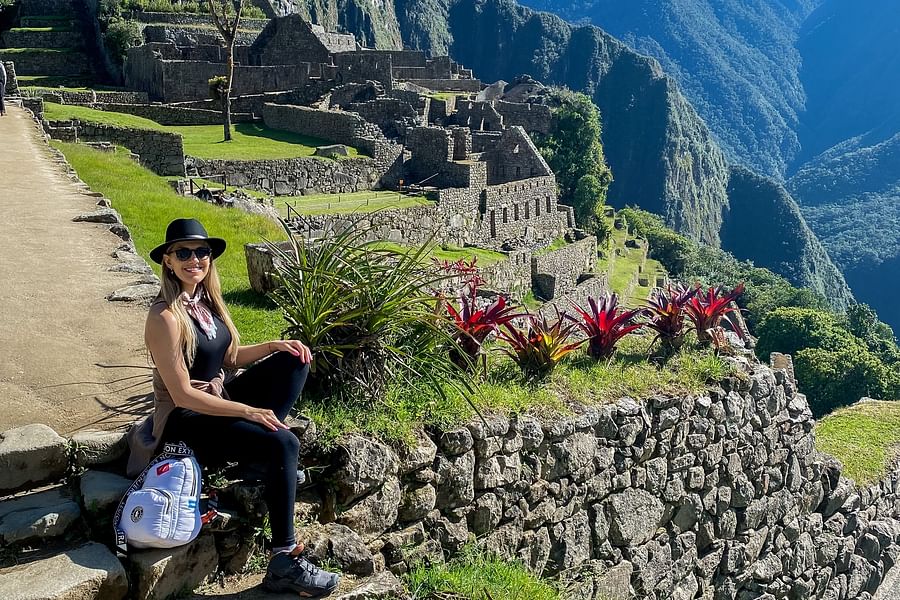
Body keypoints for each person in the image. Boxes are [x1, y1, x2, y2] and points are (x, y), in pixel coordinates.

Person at [127, 218, 339, 598]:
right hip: (184, 421)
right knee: (285, 443)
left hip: (217, 401)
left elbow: (230, 357)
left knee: (296, 361)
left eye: (202, 251)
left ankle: (255, 456)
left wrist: (274, 345)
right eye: (184, 253)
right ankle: (283, 558)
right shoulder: (165, 317)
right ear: (169, 262)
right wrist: (246, 411)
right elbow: (181, 395)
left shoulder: (206, 302)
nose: (195, 259)